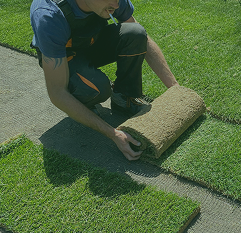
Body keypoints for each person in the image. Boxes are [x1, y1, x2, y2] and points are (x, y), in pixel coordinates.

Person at [30, 0, 179, 160]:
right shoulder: (49, 16)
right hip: (64, 56)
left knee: (136, 33)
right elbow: (57, 92)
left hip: (90, 41)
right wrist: (112, 133)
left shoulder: (112, 1)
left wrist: (176, 89)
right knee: (97, 88)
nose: (116, 5)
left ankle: (123, 98)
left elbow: (144, 40)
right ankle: (84, 100)